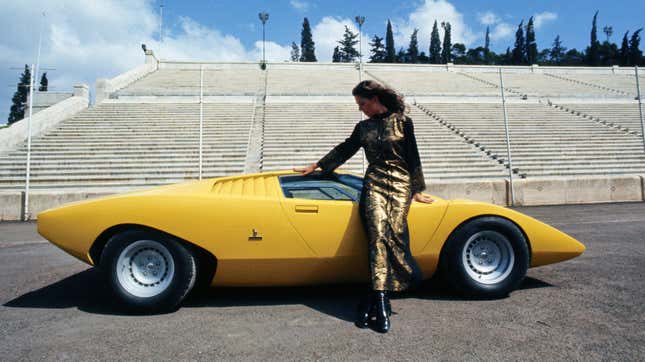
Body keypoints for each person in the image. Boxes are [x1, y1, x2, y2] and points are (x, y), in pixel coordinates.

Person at [294, 80, 434, 333]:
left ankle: (376, 293)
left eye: (363, 103)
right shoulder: (363, 127)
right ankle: (381, 299)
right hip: (375, 183)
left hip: (401, 184)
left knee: (396, 232)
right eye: (358, 104)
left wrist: (418, 190)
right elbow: (345, 149)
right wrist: (317, 165)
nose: (361, 108)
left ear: (376, 99)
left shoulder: (404, 122)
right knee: (378, 234)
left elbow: (413, 157)